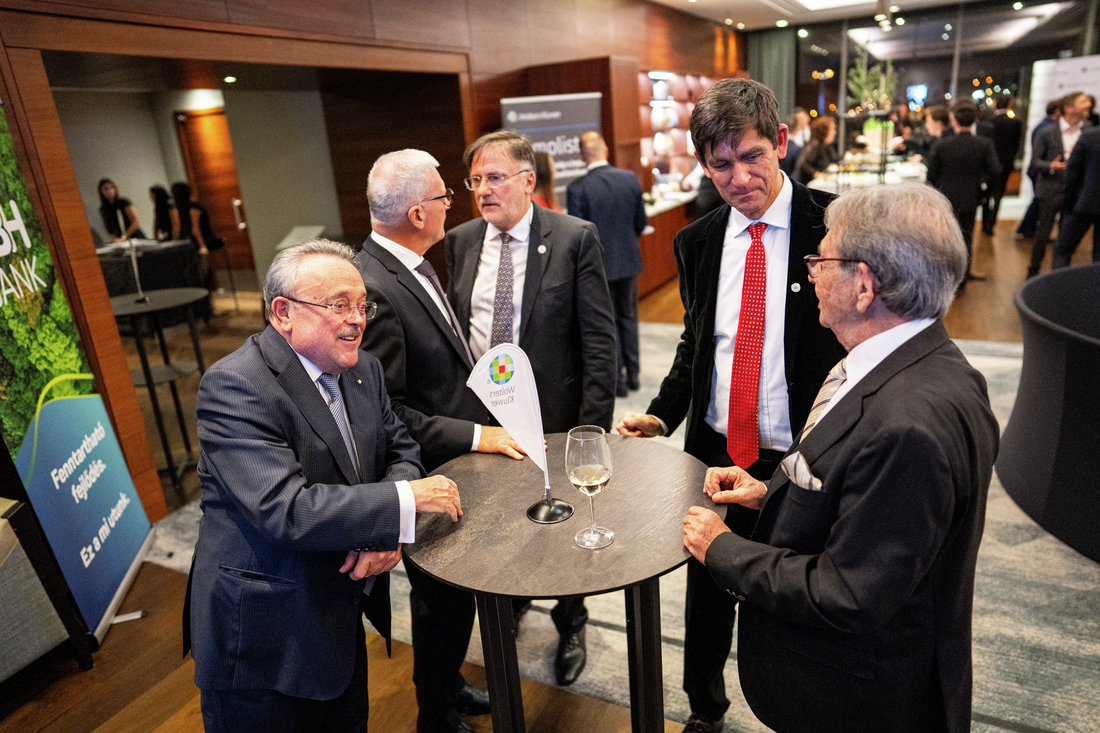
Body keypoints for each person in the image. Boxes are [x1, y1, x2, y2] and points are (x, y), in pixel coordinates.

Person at [681, 182, 999, 733]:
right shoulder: (915, 364)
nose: (811, 275)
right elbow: (865, 500)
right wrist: (769, 493)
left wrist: (722, 549)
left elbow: (849, 592)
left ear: (864, 285)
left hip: (858, 698)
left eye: (821, 261)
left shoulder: (908, 426)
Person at [617, 78, 846, 733]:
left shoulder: (836, 226)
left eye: (752, 156)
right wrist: (662, 412)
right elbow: (699, 343)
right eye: (721, 164)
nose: (739, 178)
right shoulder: (697, 240)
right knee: (708, 589)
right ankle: (704, 709)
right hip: (715, 452)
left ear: (781, 142)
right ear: (703, 163)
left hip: (800, 454)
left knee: (796, 592)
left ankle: (800, 711)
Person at [184, 239, 464, 732]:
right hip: (265, 641)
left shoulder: (364, 370)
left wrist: (388, 531)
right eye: (338, 305)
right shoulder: (236, 386)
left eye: (362, 305)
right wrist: (407, 499)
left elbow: (401, 452)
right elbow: (286, 510)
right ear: (283, 313)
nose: (357, 320)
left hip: (338, 618)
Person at [354, 149, 524, 732]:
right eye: (445, 195)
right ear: (418, 213)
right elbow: (388, 411)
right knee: (441, 605)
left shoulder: (412, 265)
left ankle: (447, 686)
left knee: (453, 600)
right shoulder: (375, 287)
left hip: (453, 464)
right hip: (426, 473)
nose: (455, 203)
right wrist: (477, 434)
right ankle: (436, 716)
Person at [445, 129, 617, 686]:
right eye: (475, 180)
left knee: (562, 523)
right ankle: (512, 601)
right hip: (483, 419)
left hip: (555, 418)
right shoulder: (461, 240)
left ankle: (571, 619)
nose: (482, 190)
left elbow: (599, 342)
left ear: (528, 180)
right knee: (497, 520)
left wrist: (589, 433)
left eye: (495, 178)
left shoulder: (572, 237)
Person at [566, 132, 648, 397]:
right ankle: (634, 375)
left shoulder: (577, 188)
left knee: (607, 323)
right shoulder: (629, 179)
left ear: (582, 156)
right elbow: (641, 223)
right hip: (628, 261)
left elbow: (578, 236)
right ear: (606, 151)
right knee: (628, 317)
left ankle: (618, 382)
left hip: (597, 267)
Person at [925, 101, 1000, 281]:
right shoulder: (984, 144)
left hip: (946, 198)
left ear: (954, 121)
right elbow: (996, 171)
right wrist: (984, 191)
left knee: (945, 237)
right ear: (974, 121)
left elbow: (931, 174)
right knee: (967, 236)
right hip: (970, 198)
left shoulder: (942, 145)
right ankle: (963, 275)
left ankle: (946, 276)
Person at [1026, 91, 1090, 278]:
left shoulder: (1088, 131)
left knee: (1066, 235)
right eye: (1083, 101)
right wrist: (1051, 166)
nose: (1088, 104)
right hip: (1050, 189)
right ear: (1069, 108)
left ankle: (1060, 276)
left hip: (1075, 193)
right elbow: (1035, 162)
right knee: (1043, 232)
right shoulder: (1046, 131)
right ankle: (1033, 271)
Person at [1052, 124, 1100, 269]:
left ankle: (1060, 283)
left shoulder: (1089, 136)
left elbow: (1072, 173)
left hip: (1084, 202)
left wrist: (1069, 203)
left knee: (1063, 250)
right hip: (1085, 202)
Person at [1016, 99, 1062, 240]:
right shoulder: (1047, 128)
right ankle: (1028, 229)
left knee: (1037, 201)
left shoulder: (1043, 125)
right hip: (1041, 171)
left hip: (1038, 170)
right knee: (1039, 202)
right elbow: (1038, 156)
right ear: (1057, 111)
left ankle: (1027, 228)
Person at [978, 96, 1023, 236]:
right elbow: (1016, 146)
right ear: (1009, 105)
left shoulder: (988, 122)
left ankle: (985, 223)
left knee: (986, 193)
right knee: (999, 194)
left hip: (989, 164)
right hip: (1006, 163)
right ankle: (990, 225)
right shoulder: (1015, 123)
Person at [172, 181, 221, 257]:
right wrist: (202, 245)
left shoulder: (177, 209)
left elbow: (177, 228)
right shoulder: (194, 206)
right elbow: (195, 229)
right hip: (201, 238)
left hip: (190, 240)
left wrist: (174, 243)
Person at [794, 116, 839, 184]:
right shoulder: (815, 144)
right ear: (824, 130)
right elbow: (804, 164)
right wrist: (816, 174)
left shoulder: (825, 146)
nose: (834, 132)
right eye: (832, 129)